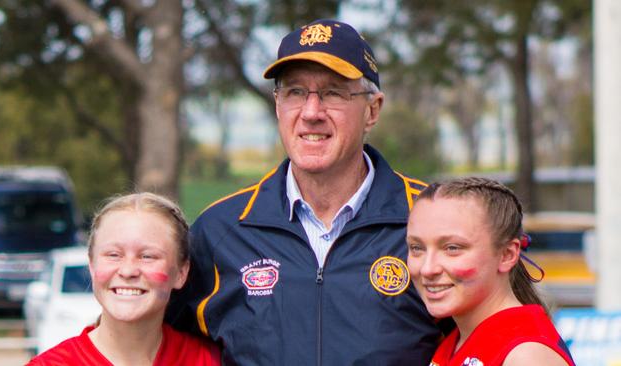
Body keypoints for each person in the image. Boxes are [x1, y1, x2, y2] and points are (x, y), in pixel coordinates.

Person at [166, 19, 442, 365]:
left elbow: (503, 328)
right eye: (295, 92)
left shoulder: (433, 219)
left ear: (372, 110)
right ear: (278, 105)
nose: (311, 113)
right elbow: (153, 344)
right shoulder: (220, 231)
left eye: (333, 93)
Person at [28, 193, 220, 366]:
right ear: (92, 265)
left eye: (147, 256)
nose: (128, 271)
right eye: (113, 255)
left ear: (181, 272)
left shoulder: (208, 360)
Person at [406, 177, 575, 366]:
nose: (427, 268)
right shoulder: (455, 340)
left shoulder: (527, 355)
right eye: (416, 248)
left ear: (507, 255)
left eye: (452, 248)